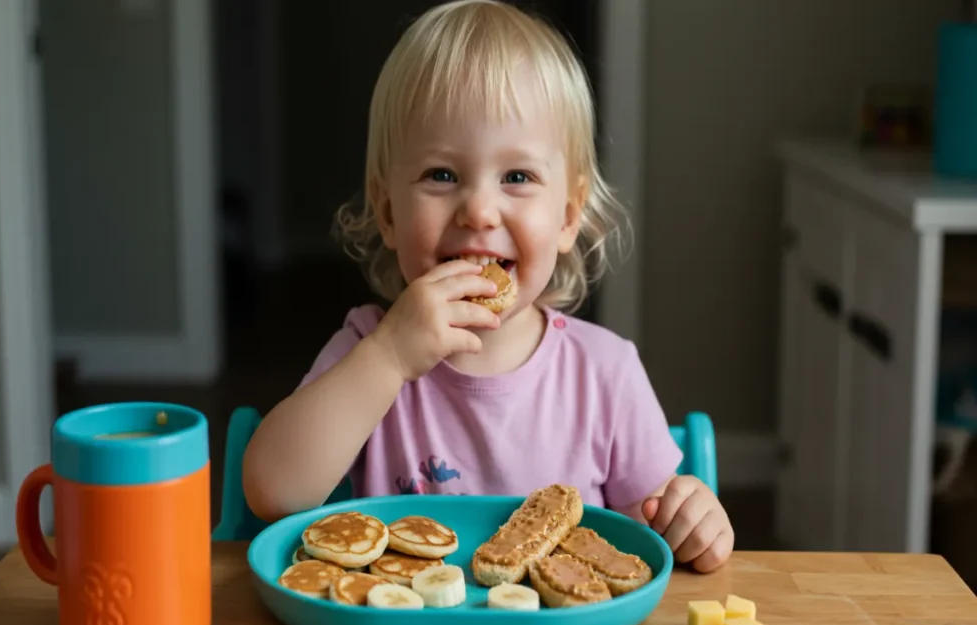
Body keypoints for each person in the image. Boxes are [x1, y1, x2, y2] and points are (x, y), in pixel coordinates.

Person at [244, 0, 734, 573]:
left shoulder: (605, 373)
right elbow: (272, 492)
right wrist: (391, 357)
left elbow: (650, 546)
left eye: (517, 177)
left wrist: (693, 522)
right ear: (388, 212)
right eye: (442, 175)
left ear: (568, 216)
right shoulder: (368, 349)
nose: (478, 210)